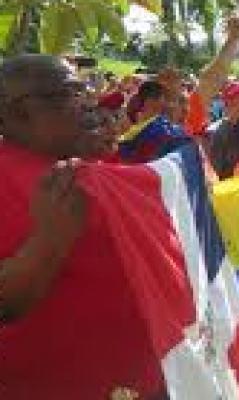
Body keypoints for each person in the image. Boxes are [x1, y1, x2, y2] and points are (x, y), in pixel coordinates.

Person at [0, 54, 165, 398]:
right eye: (71, 93)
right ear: (18, 112)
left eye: (85, 89)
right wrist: (49, 241)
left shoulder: (81, 160)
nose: (88, 102)